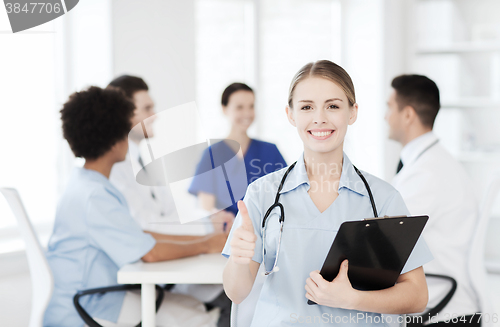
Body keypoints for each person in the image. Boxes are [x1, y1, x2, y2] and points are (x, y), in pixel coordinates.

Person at [222, 60, 433, 326]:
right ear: (290, 114)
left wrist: (352, 299)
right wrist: (240, 260)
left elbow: (417, 295)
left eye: (333, 106)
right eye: (306, 107)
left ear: (352, 112)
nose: (319, 118)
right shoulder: (262, 194)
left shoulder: (382, 198)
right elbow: (236, 292)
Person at [43, 86, 225, 327]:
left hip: (91, 296)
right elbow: (149, 252)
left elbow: (140, 237)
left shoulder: (86, 184)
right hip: (90, 306)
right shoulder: (95, 195)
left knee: (195, 306)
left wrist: (208, 240)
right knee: (205, 317)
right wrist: (208, 243)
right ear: (116, 139)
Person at [107, 75, 232, 327]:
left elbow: (170, 214)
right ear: (124, 114)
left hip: (166, 270)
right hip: (146, 279)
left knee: (236, 294)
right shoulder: (115, 170)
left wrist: (209, 220)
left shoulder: (141, 161)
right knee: (231, 302)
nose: (156, 115)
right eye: (147, 108)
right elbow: (147, 227)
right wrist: (208, 230)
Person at [386, 74, 481, 325]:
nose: (385, 117)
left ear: (407, 115)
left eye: (389, 108)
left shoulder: (428, 173)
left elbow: (387, 241)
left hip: (445, 314)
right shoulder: (431, 164)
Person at [188, 82, 287, 223]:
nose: (247, 113)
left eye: (251, 106)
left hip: (267, 232)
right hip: (227, 237)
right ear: (224, 109)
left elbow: (286, 196)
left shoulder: (270, 151)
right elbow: (206, 208)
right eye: (239, 107)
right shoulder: (211, 156)